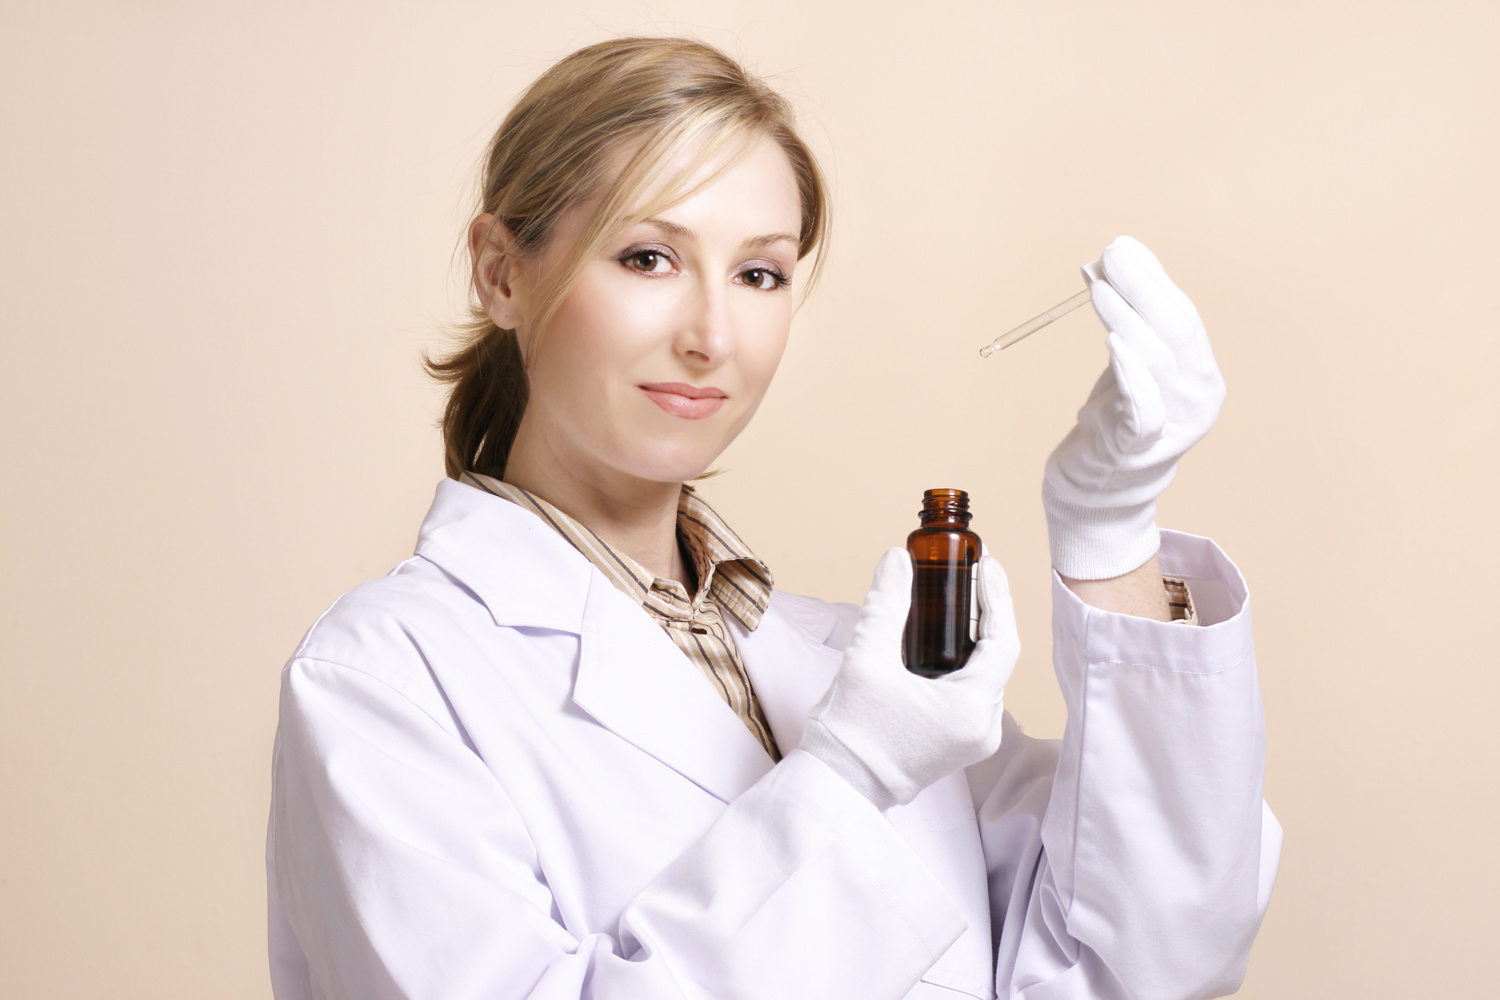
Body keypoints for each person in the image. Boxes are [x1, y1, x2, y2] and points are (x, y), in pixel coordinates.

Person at [266, 36, 1281, 1000]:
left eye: (759, 275)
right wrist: (851, 773)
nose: (712, 335)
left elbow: (1153, 958)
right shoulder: (387, 679)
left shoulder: (855, 669)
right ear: (501, 272)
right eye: (648, 258)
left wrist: (1111, 527)